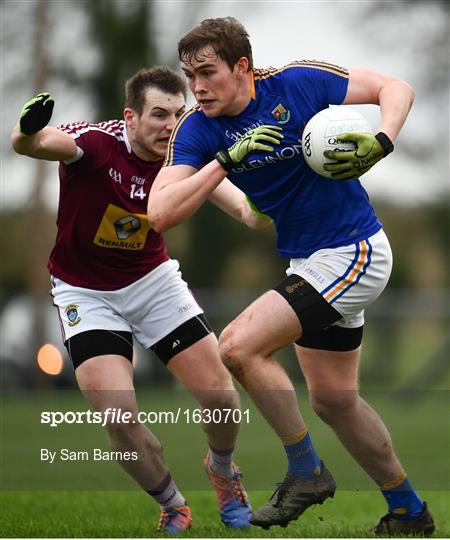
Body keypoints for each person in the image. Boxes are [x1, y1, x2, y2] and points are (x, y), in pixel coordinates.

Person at [147, 18, 435, 535]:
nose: (197, 87)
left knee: (235, 346)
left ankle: (305, 472)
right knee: (334, 401)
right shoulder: (198, 129)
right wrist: (224, 161)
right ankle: (409, 512)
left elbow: (397, 88)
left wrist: (382, 141)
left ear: (242, 68)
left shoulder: (298, 83)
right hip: (308, 263)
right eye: (190, 76)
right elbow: (161, 213)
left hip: (355, 251)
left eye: (208, 73)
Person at [11, 66, 271, 533]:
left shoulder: (186, 155)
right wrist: (25, 132)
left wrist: (281, 197)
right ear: (130, 117)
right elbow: (35, 144)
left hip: (152, 283)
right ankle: (173, 504)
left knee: (222, 400)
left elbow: (244, 212)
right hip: (85, 293)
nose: (169, 125)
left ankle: (223, 470)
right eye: (158, 115)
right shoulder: (95, 142)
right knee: (118, 415)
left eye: (177, 114)